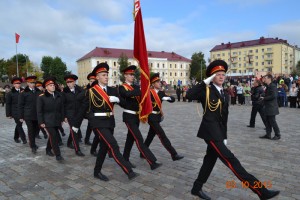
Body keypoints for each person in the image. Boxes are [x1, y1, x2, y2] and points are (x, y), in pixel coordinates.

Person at [186, 60, 280, 200]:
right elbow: (189, 95)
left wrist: (225, 136)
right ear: (212, 77)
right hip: (210, 133)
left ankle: (196, 188)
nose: (221, 76)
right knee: (232, 161)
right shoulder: (206, 90)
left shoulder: (224, 92)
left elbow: (224, 117)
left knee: (209, 160)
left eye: (223, 74)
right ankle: (261, 191)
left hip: (219, 133)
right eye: (217, 74)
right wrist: (205, 81)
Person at [73, 62, 138, 181]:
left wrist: (118, 99)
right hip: (98, 123)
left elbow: (125, 104)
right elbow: (83, 108)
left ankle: (96, 172)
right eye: (103, 75)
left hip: (109, 122)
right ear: (97, 77)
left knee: (103, 148)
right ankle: (129, 171)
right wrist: (76, 125)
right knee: (113, 144)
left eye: (107, 75)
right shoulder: (91, 91)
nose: (106, 77)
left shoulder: (113, 90)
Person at [119, 65, 162, 169]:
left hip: (136, 116)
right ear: (125, 76)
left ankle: (125, 159)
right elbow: (127, 95)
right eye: (130, 75)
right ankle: (152, 161)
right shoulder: (122, 87)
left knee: (130, 139)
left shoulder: (136, 87)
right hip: (128, 116)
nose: (132, 76)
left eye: (133, 75)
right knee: (139, 138)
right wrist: (141, 88)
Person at [143, 73, 184, 161]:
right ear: (153, 84)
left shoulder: (161, 93)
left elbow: (172, 100)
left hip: (158, 116)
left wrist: (169, 98)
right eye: (157, 82)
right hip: (151, 117)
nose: (160, 83)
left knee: (150, 135)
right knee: (162, 135)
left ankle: (143, 151)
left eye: (159, 81)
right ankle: (174, 154)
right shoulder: (149, 93)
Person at [37, 77, 65, 161]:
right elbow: (39, 111)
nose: (53, 86)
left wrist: (62, 118)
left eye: (53, 85)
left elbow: (62, 108)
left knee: (53, 136)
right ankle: (58, 155)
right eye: (50, 85)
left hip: (57, 120)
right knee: (54, 136)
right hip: (47, 120)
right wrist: (41, 122)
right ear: (46, 87)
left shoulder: (58, 95)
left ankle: (48, 149)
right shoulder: (41, 97)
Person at [18, 76, 42, 154]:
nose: (33, 84)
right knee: (31, 130)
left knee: (36, 130)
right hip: (28, 115)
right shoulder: (24, 93)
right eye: (31, 83)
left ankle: (33, 143)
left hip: (37, 115)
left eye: (34, 83)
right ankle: (33, 146)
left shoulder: (39, 92)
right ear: (27, 83)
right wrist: (21, 116)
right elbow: (20, 105)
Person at [62, 74, 85, 156]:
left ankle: (68, 143)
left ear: (74, 82)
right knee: (74, 131)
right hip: (70, 114)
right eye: (67, 82)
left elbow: (83, 101)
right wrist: (64, 116)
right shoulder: (64, 91)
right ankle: (77, 149)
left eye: (70, 82)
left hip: (79, 114)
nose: (68, 84)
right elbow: (63, 105)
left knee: (75, 129)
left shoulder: (81, 90)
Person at [5, 77, 27, 144]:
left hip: (23, 111)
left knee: (18, 124)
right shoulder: (10, 93)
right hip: (15, 111)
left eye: (19, 83)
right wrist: (8, 114)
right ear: (13, 84)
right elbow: (8, 104)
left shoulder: (24, 91)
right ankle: (24, 139)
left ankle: (16, 137)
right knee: (19, 124)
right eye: (16, 83)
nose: (18, 84)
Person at [259, 74, 281, 140]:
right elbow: (268, 94)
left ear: (269, 79)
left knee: (272, 121)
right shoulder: (268, 86)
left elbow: (273, 96)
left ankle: (277, 134)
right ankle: (268, 134)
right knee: (267, 121)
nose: (264, 79)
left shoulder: (273, 86)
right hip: (268, 106)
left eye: (265, 78)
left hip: (272, 107)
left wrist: (264, 98)